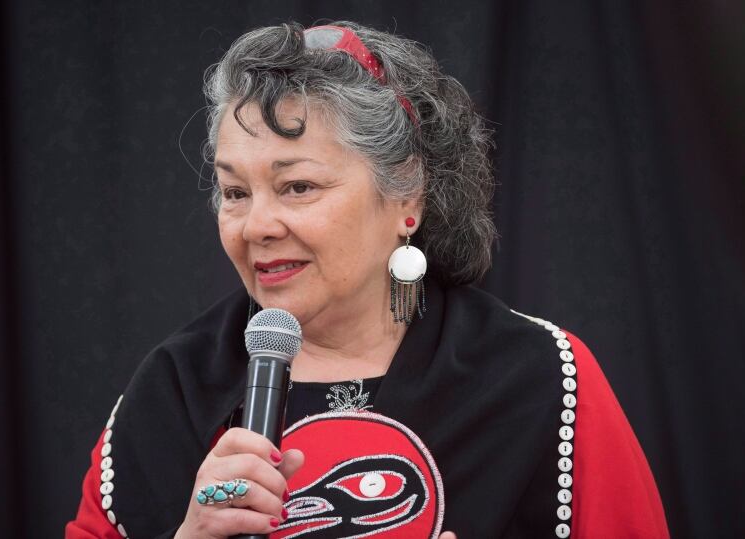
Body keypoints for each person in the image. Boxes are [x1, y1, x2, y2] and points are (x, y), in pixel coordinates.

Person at [66, 21, 669, 539]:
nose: (257, 225)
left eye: (297, 186)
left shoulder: (540, 376)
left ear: (405, 192)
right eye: (234, 192)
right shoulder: (176, 387)